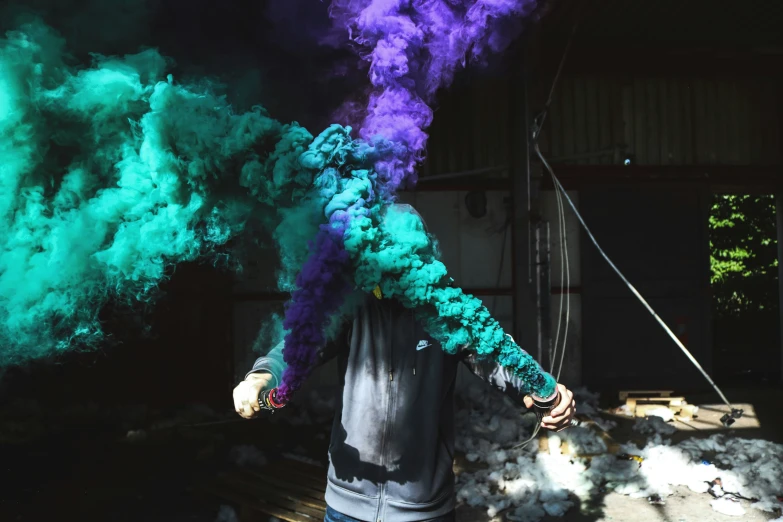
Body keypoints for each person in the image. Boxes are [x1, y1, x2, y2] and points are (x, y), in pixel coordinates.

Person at [233, 207, 576, 522]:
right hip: (347, 505)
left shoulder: (446, 310)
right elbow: (299, 345)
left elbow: (498, 356)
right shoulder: (352, 305)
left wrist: (548, 394)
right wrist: (263, 375)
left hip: (424, 508)